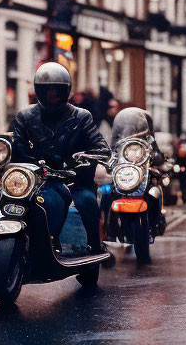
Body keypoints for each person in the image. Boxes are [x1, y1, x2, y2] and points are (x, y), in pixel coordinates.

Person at [9, 62, 110, 255]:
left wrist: (82, 160)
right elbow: (17, 146)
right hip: (37, 181)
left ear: (66, 91)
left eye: (57, 90)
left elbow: (100, 147)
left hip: (75, 181)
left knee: (88, 202)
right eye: (47, 90)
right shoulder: (25, 116)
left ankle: (93, 248)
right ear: (39, 91)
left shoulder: (81, 117)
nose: (52, 94)